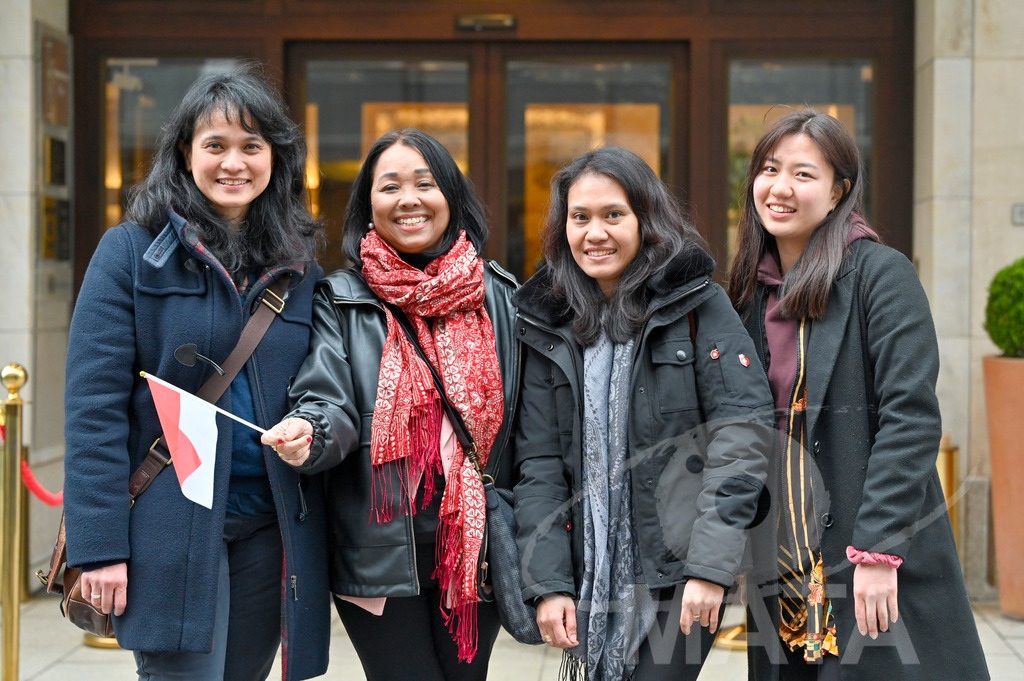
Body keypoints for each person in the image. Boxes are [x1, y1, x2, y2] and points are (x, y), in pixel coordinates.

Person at [63, 65, 331, 681]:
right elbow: (92, 409)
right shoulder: (130, 252)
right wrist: (99, 547)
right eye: (215, 145)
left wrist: (309, 430)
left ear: (276, 159)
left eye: (251, 146)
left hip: (269, 525)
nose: (233, 162)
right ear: (185, 154)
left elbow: (321, 391)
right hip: (169, 523)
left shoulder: (299, 270)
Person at [728, 108, 989, 681]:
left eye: (803, 174)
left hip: (864, 551)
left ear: (839, 189)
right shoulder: (750, 291)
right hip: (782, 559)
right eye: (770, 169)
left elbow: (911, 418)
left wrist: (877, 550)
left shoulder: (880, 275)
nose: (780, 188)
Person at [262, 128, 519, 681]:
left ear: (451, 195)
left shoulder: (499, 296)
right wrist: (310, 432)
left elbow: (527, 422)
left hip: (477, 549)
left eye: (425, 183)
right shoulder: (340, 299)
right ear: (368, 205)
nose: (409, 199)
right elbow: (326, 397)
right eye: (390, 186)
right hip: (376, 549)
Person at [512, 146, 775, 681]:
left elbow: (741, 434)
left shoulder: (699, 304)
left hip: (682, 571)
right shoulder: (547, 322)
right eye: (579, 217)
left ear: (646, 220)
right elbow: (539, 463)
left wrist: (709, 569)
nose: (595, 233)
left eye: (614, 215)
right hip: (589, 571)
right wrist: (550, 584)